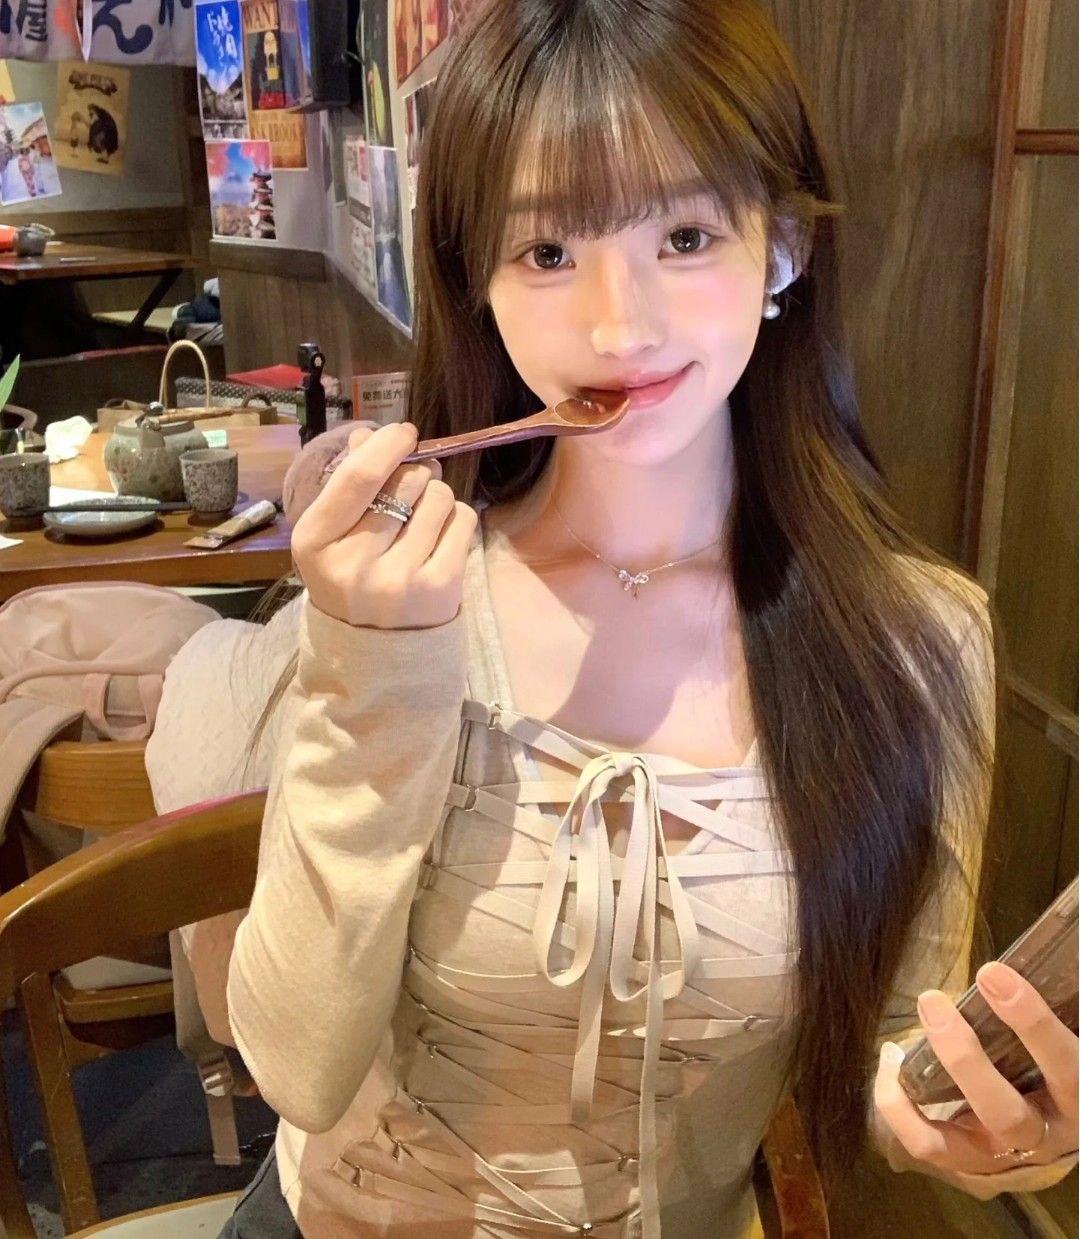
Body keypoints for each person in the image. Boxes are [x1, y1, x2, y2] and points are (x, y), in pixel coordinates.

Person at [206, 2, 1079, 1235]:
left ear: (783, 250)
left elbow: (892, 1042)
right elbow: (294, 1067)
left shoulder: (921, 643)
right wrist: (368, 678)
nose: (619, 326)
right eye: (546, 252)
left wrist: (969, 1118)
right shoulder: (403, 596)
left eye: (685, 235)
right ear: (476, 284)